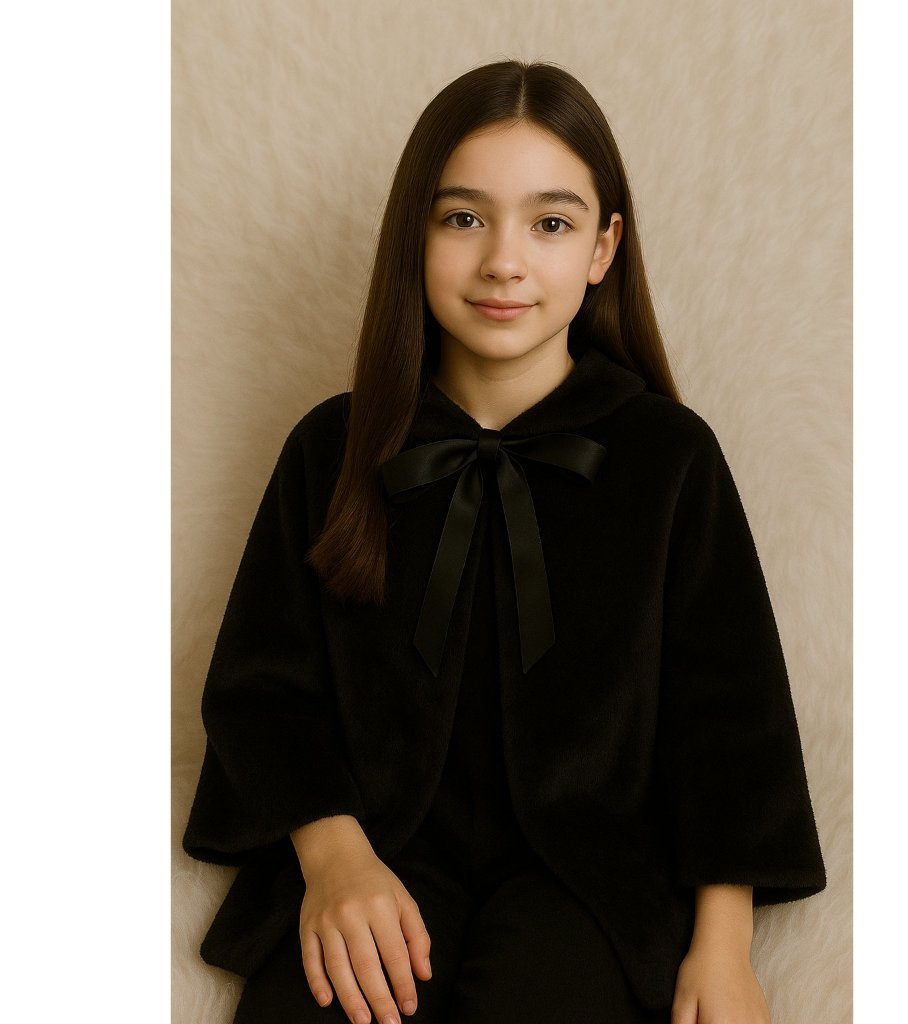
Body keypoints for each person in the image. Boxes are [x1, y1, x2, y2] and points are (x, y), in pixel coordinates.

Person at [182, 59, 826, 1024]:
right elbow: (262, 688)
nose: (504, 261)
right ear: (414, 236)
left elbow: (730, 716)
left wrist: (724, 949)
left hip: (591, 880)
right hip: (378, 855)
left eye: (551, 224)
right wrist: (335, 859)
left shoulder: (669, 457)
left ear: (604, 248)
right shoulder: (333, 447)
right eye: (462, 218)